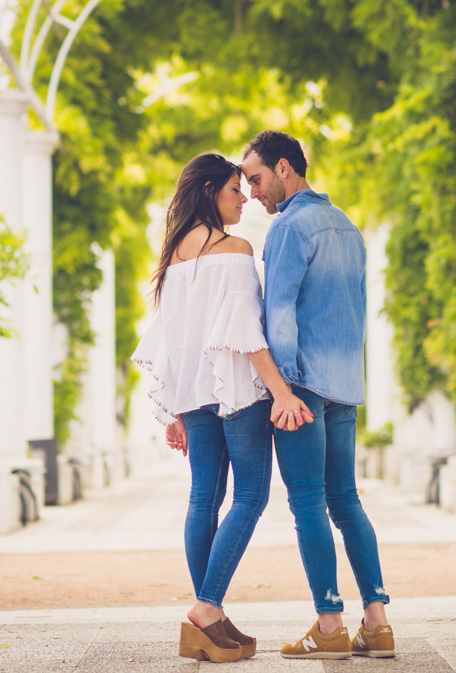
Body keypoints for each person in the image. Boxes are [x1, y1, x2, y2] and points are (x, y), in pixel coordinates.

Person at [131, 152, 313, 663]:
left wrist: (173, 412)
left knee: (203, 499)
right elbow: (245, 335)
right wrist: (281, 390)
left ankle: (210, 619)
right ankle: (207, 607)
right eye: (235, 188)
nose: (243, 198)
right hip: (235, 391)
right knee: (252, 496)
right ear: (211, 191)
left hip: (192, 395)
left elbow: (170, 339)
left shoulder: (172, 258)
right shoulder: (236, 249)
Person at [241, 130, 394, 660]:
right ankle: (376, 624)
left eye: (256, 179)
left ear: (285, 168)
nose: (254, 193)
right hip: (345, 385)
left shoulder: (288, 227)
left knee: (307, 502)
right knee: (346, 501)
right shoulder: (347, 226)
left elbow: (277, 312)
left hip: (301, 389)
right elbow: (356, 309)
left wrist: (280, 390)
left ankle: (329, 623)